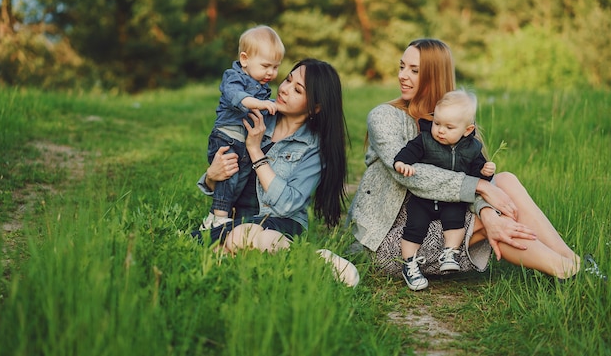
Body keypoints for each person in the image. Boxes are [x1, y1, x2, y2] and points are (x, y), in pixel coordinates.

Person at [347, 38, 606, 288]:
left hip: (442, 217)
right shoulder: (384, 117)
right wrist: (483, 197)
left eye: (414, 70)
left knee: (505, 181)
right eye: (402, 66)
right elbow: (410, 175)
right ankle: (569, 272)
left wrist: (485, 208)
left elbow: (475, 176)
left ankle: (576, 265)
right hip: (392, 238)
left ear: (435, 76)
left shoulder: (456, 122)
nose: (403, 75)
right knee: (493, 217)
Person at [195, 58, 360, 287]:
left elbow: (287, 206)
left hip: (281, 223)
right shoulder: (257, 114)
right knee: (233, 241)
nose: (284, 89)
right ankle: (302, 262)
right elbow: (226, 178)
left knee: (242, 236)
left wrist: (254, 150)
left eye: (297, 89)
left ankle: (311, 261)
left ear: (316, 107)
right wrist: (211, 177)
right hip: (238, 218)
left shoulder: (313, 147)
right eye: (288, 79)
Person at [393, 89, 496, 290]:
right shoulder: (424, 140)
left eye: (449, 127)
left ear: (467, 130)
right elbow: (407, 152)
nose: (440, 130)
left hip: (452, 200)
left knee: (455, 223)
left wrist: (485, 172)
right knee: (414, 228)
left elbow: (476, 178)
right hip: (423, 198)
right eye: (437, 123)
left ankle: (450, 252)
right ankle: (409, 264)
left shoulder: (472, 148)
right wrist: (401, 163)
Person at [201, 25, 284, 231]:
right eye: (266, 66)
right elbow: (237, 97)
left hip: (243, 141)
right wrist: (262, 104)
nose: (271, 72)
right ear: (245, 59)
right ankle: (220, 217)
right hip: (226, 137)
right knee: (228, 175)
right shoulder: (233, 77)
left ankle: (213, 217)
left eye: (275, 67)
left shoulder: (262, 86)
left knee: (240, 179)